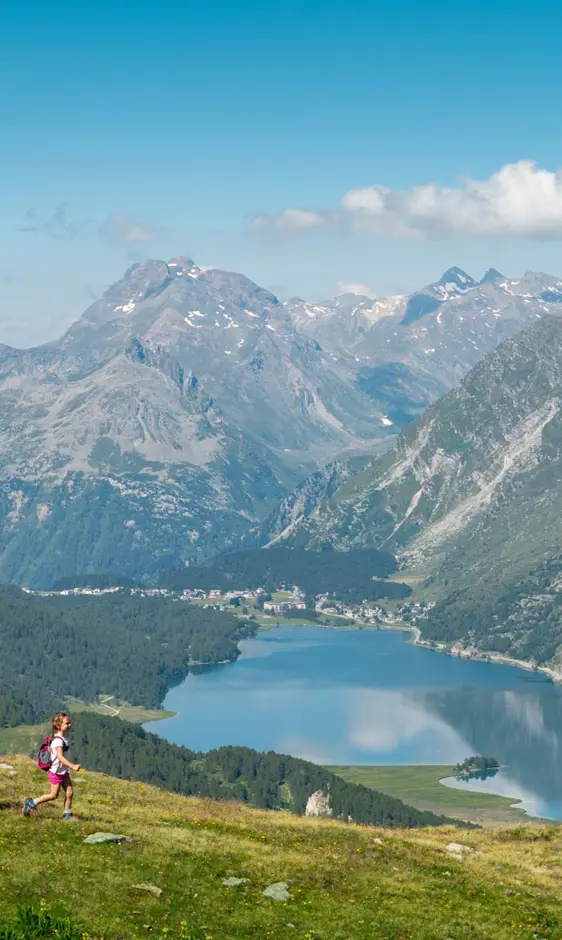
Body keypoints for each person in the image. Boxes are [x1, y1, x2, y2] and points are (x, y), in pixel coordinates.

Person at [23, 712, 81, 820]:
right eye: (67, 723)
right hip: (56, 772)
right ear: (59, 725)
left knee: (69, 792)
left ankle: (67, 815)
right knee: (53, 795)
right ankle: (31, 803)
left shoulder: (62, 738)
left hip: (63, 771)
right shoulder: (58, 741)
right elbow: (60, 757)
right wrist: (72, 766)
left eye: (69, 723)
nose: (69, 725)